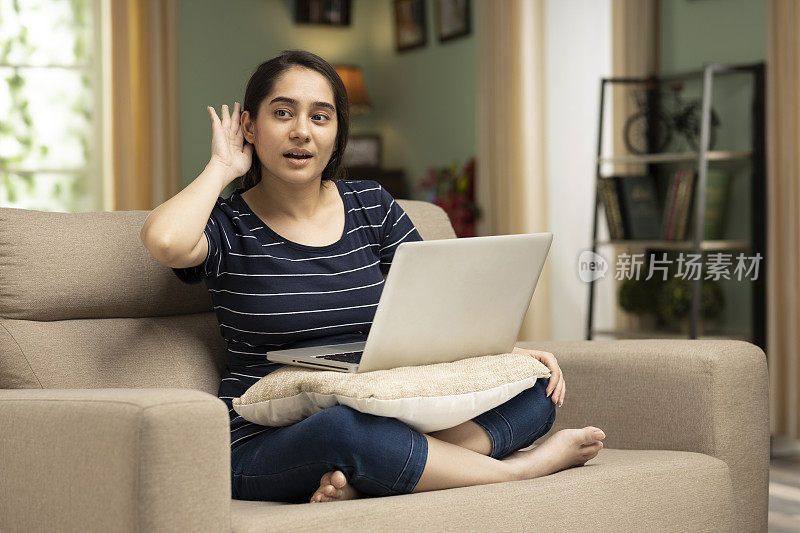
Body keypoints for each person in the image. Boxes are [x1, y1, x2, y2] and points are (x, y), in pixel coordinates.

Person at [140, 49, 606, 505]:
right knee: (343, 427)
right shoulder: (227, 224)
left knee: (537, 389)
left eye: (320, 117)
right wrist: (222, 167)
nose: (301, 131)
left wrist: (509, 354)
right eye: (283, 113)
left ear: (337, 133)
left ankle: (381, 470)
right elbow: (164, 241)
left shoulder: (370, 205)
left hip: (387, 408)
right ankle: (517, 471)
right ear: (249, 127)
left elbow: (438, 307)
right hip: (268, 439)